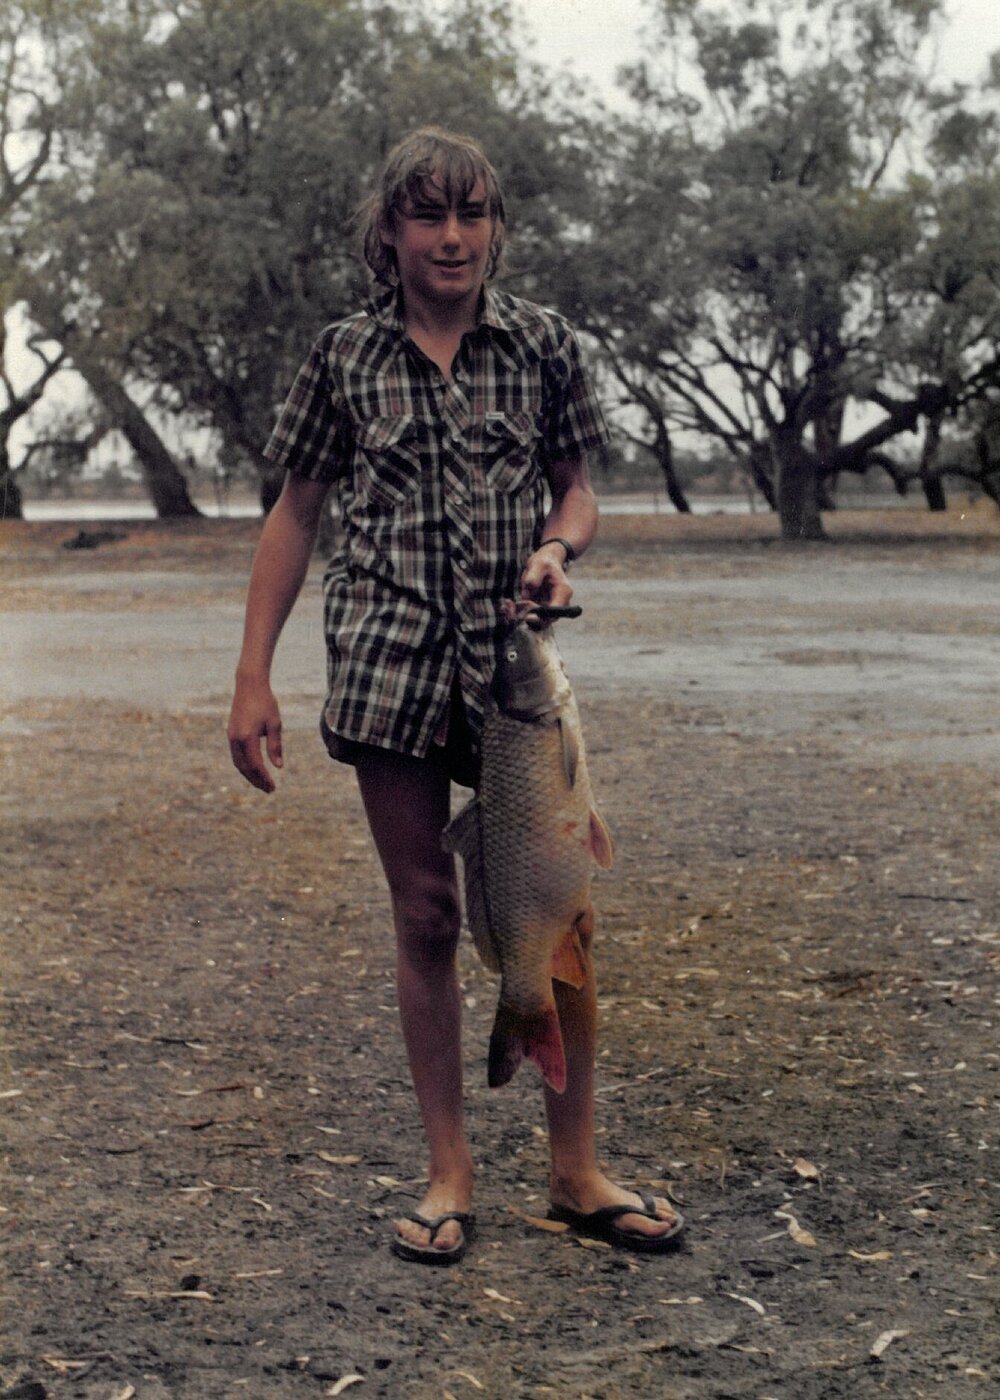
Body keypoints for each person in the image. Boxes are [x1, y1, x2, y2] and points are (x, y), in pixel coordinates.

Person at [227, 127, 683, 1263]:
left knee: (557, 913)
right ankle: (449, 1169)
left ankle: (575, 1170)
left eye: (471, 214)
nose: (451, 237)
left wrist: (556, 550)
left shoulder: (542, 344)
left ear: (494, 225)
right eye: (427, 216)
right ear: (388, 229)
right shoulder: (342, 356)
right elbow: (296, 511)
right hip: (388, 668)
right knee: (427, 911)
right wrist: (251, 673)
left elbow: (578, 491)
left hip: (518, 680)